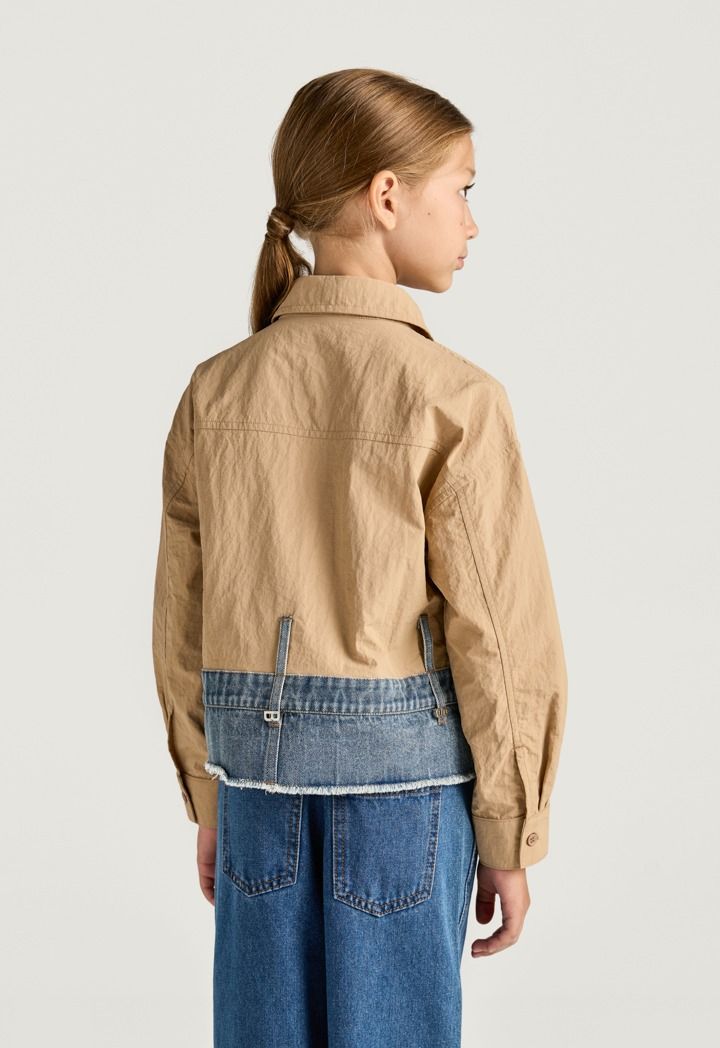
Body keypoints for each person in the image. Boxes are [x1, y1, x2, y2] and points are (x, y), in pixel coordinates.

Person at [151, 67, 568, 1048]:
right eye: (462, 189)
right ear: (387, 196)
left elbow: (183, 618)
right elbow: (501, 640)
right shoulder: (454, 397)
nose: (471, 223)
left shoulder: (216, 391)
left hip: (255, 795)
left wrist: (208, 794)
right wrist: (510, 830)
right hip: (404, 806)